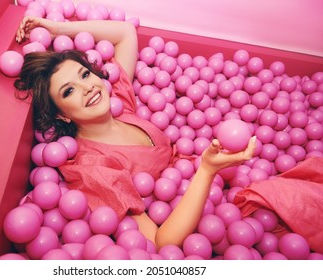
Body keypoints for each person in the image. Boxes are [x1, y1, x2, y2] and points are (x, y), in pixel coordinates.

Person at [15, 16, 257, 250]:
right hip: (194, 216)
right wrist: (207, 170)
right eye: (69, 91)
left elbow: (125, 33)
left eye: (85, 74)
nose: (87, 88)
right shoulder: (93, 168)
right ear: (61, 115)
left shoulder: (119, 104)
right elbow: (162, 242)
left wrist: (57, 28)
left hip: (218, 185)